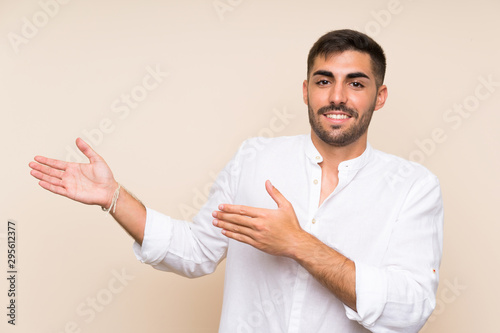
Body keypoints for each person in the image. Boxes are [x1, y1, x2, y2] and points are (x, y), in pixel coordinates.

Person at [29, 29, 443, 332]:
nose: (337, 96)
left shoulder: (413, 187)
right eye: (324, 81)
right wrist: (114, 197)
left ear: (380, 96)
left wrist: (296, 243)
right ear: (305, 91)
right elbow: (195, 251)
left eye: (356, 83)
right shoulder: (256, 158)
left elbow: (410, 310)